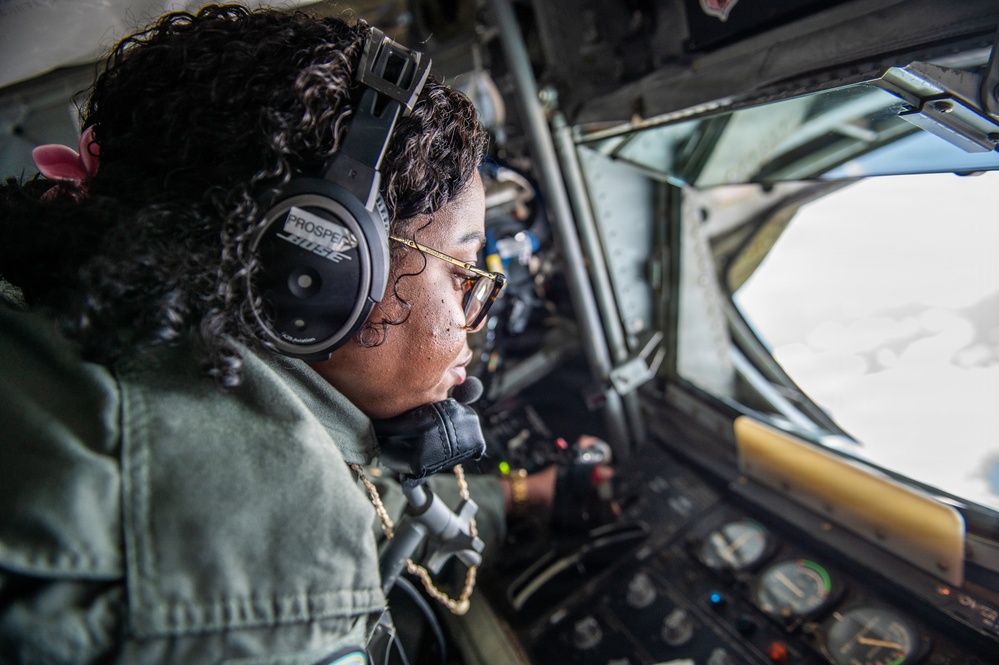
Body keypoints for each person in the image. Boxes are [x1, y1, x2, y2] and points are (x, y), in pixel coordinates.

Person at [0, 4, 612, 664]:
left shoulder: (93, 338)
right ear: (319, 269)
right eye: (465, 271)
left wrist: (524, 492)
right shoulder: (288, 576)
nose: (476, 320)